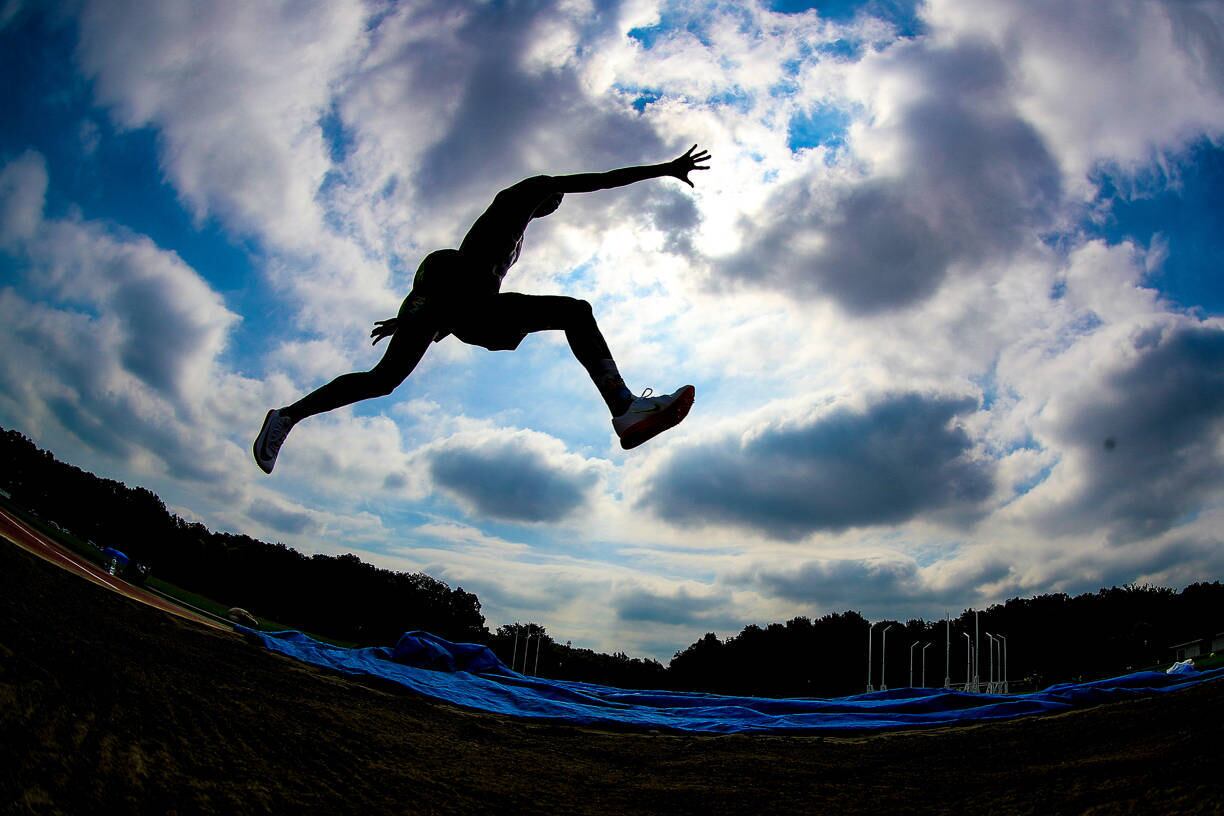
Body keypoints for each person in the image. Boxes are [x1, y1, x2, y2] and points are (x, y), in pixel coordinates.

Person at [254, 145, 711, 474]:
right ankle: (624, 407)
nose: (554, 204)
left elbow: (449, 299)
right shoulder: (527, 193)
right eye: (553, 201)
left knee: (382, 380)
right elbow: (594, 181)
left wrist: (414, 319)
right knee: (575, 311)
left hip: (450, 308)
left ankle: (287, 416)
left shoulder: (510, 236)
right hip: (458, 294)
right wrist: (663, 168)